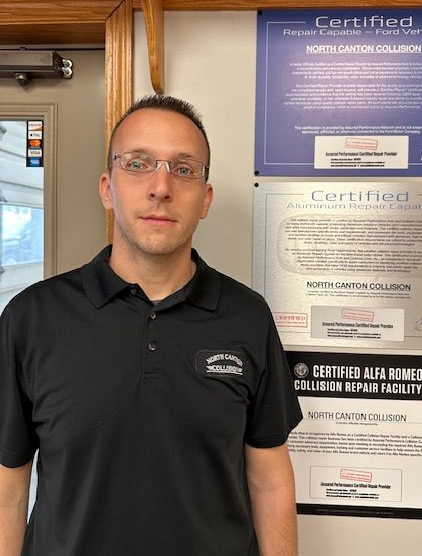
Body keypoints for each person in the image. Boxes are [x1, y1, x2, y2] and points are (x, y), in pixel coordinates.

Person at [0, 94, 303, 556]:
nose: (161, 186)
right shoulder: (32, 317)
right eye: (138, 163)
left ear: (205, 199)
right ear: (107, 188)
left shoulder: (247, 317)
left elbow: (269, 479)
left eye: (183, 169)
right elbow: (9, 483)